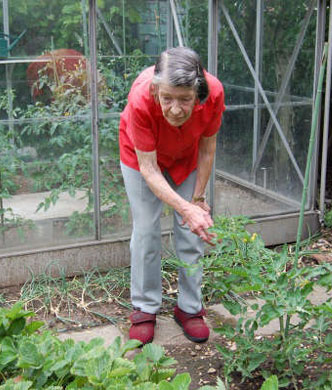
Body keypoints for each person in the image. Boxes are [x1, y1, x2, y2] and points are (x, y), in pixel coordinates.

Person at [119, 47, 225, 344]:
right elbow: (149, 170)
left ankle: (189, 309)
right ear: (155, 90)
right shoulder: (141, 99)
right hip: (141, 158)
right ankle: (144, 309)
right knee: (146, 231)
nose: (176, 109)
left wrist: (197, 199)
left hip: (187, 154)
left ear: (198, 93)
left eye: (185, 99)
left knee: (192, 230)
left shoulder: (214, 93)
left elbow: (207, 148)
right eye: (167, 98)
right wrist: (184, 207)